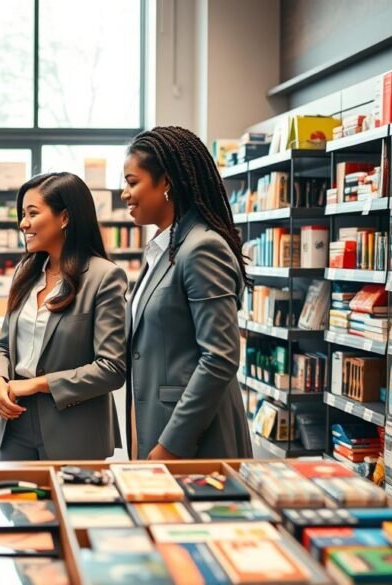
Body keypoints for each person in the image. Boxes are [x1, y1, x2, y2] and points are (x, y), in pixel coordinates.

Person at [122, 125, 253, 461]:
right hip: (157, 424)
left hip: (193, 439)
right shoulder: (165, 248)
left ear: (165, 182)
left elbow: (220, 357)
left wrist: (171, 444)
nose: (124, 193)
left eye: (132, 181)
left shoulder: (201, 248)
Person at [0, 172, 127, 461]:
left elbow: (111, 368)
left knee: (68, 507)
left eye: (32, 213)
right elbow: (3, 345)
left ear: (64, 218)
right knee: (13, 505)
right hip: (15, 424)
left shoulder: (104, 277)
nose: (23, 223)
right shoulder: (24, 273)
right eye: (22, 214)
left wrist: (38, 383)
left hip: (74, 429)